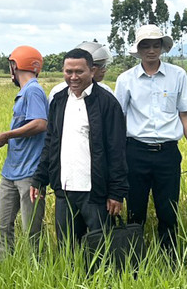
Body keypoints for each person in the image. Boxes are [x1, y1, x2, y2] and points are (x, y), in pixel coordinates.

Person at [114, 25, 187, 256]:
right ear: (138, 49)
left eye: (156, 45)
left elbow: (184, 114)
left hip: (167, 153)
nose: (151, 50)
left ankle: (169, 261)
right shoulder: (126, 80)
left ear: (163, 48)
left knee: (168, 211)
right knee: (135, 210)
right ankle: (134, 260)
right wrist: (117, 155)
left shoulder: (178, 75)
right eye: (146, 45)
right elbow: (119, 118)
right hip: (135, 152)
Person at [31, 48, 128, 250]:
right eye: (68, 72)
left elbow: (117, 150)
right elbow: (51, 142)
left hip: (95, 191)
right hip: (64, 190)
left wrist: (116, 192)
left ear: (92, 71)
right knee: (67, 247)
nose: (73, 77)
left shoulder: (107, 103)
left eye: (79, 71)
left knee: (100, 248)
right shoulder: (59, 100)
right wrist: (40, 178)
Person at [0, 46, 48, 259]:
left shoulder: (33, 90)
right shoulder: (25, 92)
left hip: (29, 174)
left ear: (16, 65)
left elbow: (40, 123)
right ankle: (4, 267)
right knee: (1, 224)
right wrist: (9, 138)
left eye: (10, 65)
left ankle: (37, 270)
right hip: (11, 172)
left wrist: (7, 135)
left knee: (31, 229)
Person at [48, 41, 113, 102]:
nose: (104, 70)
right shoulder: (58, 93)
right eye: (101, 66)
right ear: (91, 69)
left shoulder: (106, 92)